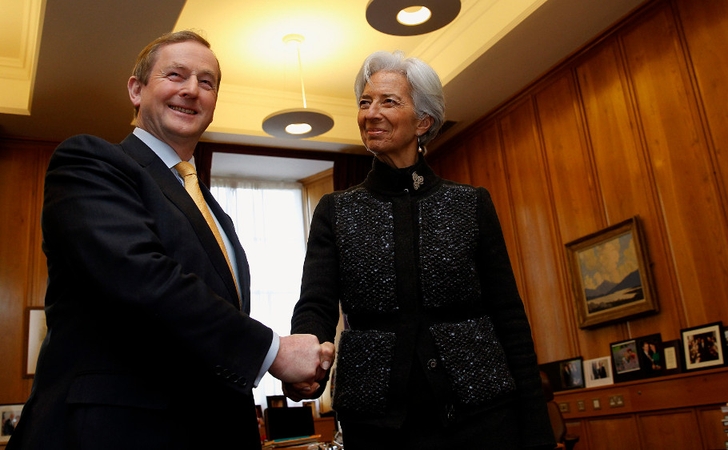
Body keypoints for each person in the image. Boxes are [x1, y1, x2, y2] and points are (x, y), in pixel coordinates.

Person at [7, 30, 333, 450]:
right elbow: (141, 279)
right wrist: (274, 353)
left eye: (207, 82)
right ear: (136, 90)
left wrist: (291, 368)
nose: (192, 91)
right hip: (115, 434)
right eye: (175, 75)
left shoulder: (216, 213)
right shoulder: (90, 162)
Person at [285, 50, 555, 449]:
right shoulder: (335, 210)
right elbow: (317, 305)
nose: (370, 113)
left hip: (481, 417)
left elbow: (509, 317)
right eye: (364, 101)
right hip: (377, 422)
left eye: (388, 101)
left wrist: (536, 428)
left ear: (423, 121)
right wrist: (304, 361)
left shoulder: (470, 204)